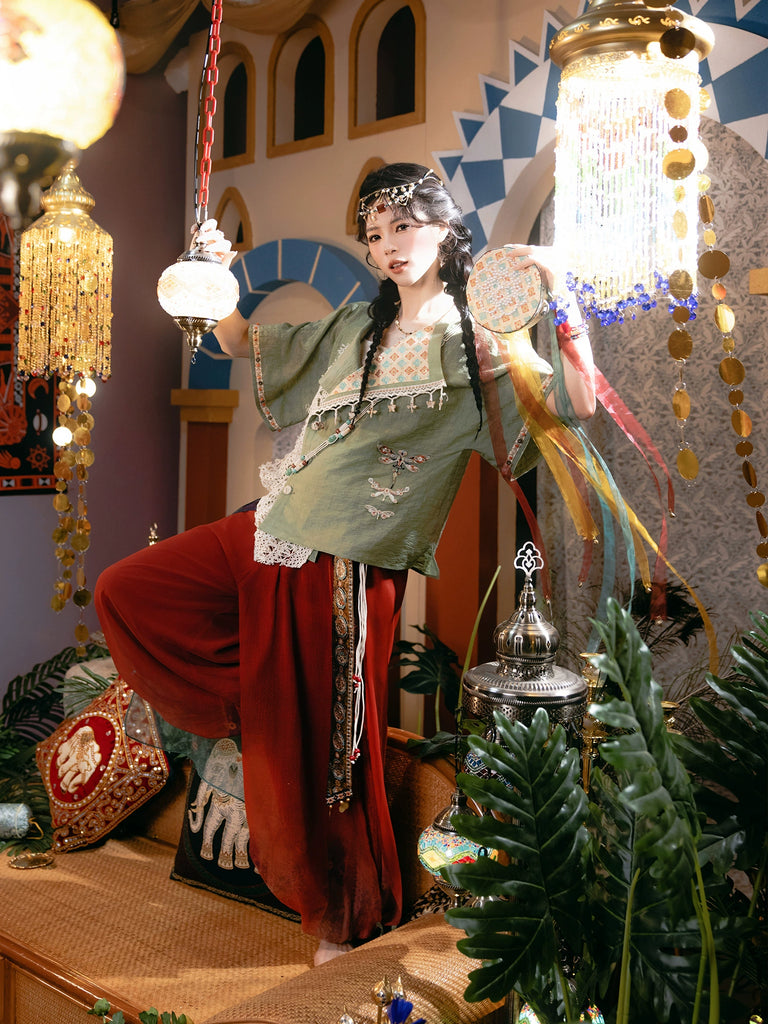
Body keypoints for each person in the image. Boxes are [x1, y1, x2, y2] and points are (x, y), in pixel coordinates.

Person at [94, 162, 595, 965]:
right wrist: (218, 275)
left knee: (334, 748)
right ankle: (263, 701)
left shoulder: (479, 346)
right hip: (270, 525)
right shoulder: (352, 327)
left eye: (403, 226)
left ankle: (347, 920)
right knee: (128, 589)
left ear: (444, 228)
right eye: (374, 233)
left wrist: (562, 292)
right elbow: (238, 342)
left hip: (349, 564)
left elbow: (579, 401)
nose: (388, 245)